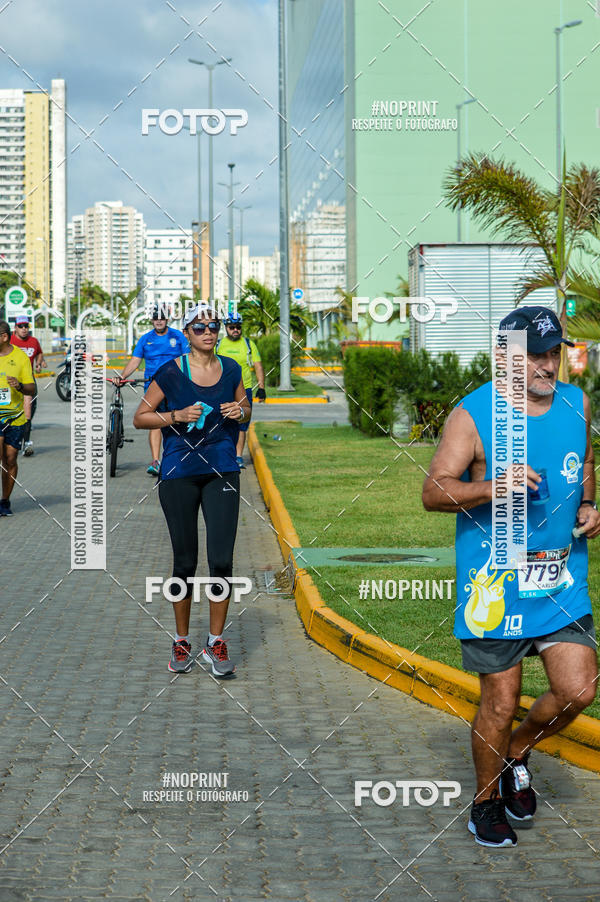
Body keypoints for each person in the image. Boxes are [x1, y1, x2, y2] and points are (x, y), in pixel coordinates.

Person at [422, 305, 599, 849]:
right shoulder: (473, 414)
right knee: (499, 701)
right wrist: (493, 486)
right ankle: (484, 802)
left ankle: (516, 750)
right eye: (535, 355)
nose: (548, 365)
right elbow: (434, 492)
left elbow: (584, 460)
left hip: (560, 577)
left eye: (554, 353)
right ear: (506, 358)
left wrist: (590, 502)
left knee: (580, 689)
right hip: (494, 585)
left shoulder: (576, 401)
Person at [132, 303, 251, 676]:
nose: (208, 332)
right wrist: (175, 416)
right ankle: (181, 641)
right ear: (187, 333)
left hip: (223, 472)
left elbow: (247, 410)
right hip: (179, 473)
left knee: (221, 561)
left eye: (213, 326)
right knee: (185, 562)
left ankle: (215, 642)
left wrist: (240, 412)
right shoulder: (170, 372)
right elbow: (140, 417)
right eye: (200, 327)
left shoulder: (230, 368)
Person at [119, 306, 188, 475]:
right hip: (152, 387)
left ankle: (177, 459)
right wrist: (122, 377)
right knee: (155, 422)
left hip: (175, 385)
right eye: (156, 318)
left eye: (162, 318)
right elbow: (135, 362)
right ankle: (156, 461)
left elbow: (186, 359)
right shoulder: (145, 339)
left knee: (177, 421)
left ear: (168, 320)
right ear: (151, 320)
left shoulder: (177, 336)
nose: (159, 320)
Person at [216, 312, 265, 468]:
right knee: (222, 422)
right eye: (232, 327)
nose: (235, 330)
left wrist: (262, 387)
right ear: (226, 328)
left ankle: (238, 456)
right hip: (223, 389)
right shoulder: (219, 344)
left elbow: (257, 365)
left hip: (246, 389)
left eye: (238, 327)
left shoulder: (249, 344)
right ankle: (222, 454)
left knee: (241, 423)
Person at [0, 321, 36, 515]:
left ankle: (5, 500)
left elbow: (32, 388)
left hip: (15, 418)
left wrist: (19, 385)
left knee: (10, 459)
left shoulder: (20, 358)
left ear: (4, 337)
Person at [10, 314, 46, 456]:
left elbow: (40, 353)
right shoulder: (9, 340)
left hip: (28, 380)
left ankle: (27, 443)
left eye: (26, 326)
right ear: (15, 328)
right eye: (21, 326)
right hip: (10, 381)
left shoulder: (34, 341)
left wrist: (39, 362)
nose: (24, 329)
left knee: (29, 410)